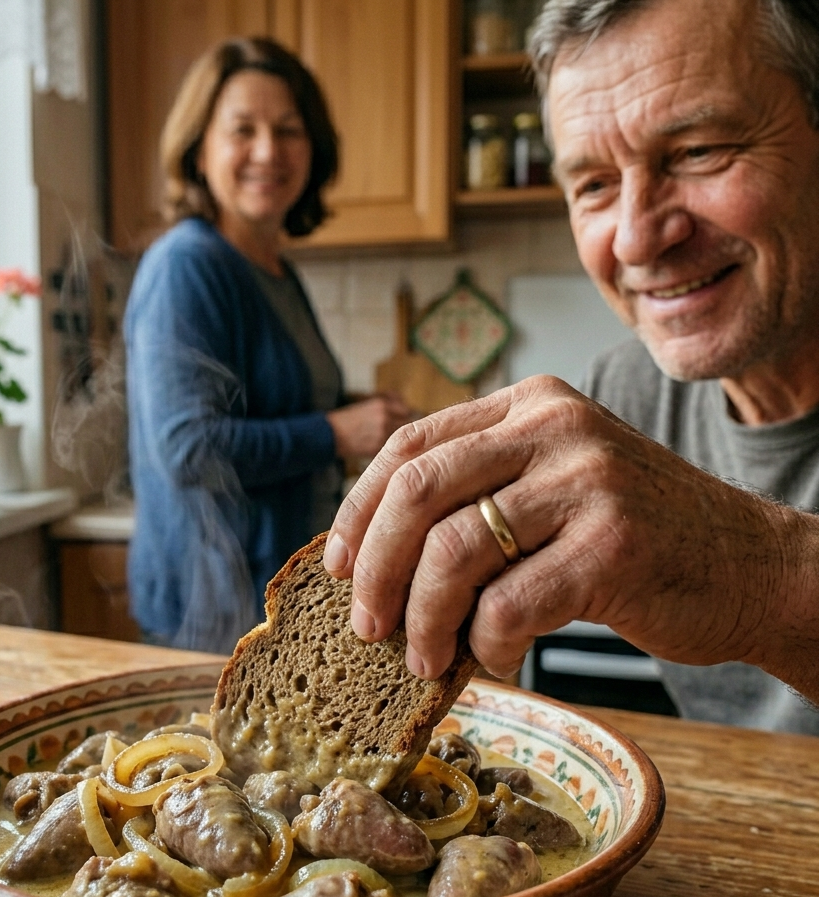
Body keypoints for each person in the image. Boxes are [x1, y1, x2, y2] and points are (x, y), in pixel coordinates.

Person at [323, 0, 819, 729]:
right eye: (592, 185)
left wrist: (757, 573)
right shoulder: (630, 389)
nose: (636, 240)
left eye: (698, 151)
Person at [125, 37, 412, 654]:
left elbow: (275, 404)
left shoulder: (276, 271)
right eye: (243, 129)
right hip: (211, 611)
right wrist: (337, 432)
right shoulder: (188, 264)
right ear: (199, 148)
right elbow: (188, 449)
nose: (268, 151)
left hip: (276, 604)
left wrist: (362, 414)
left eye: (288, 131)